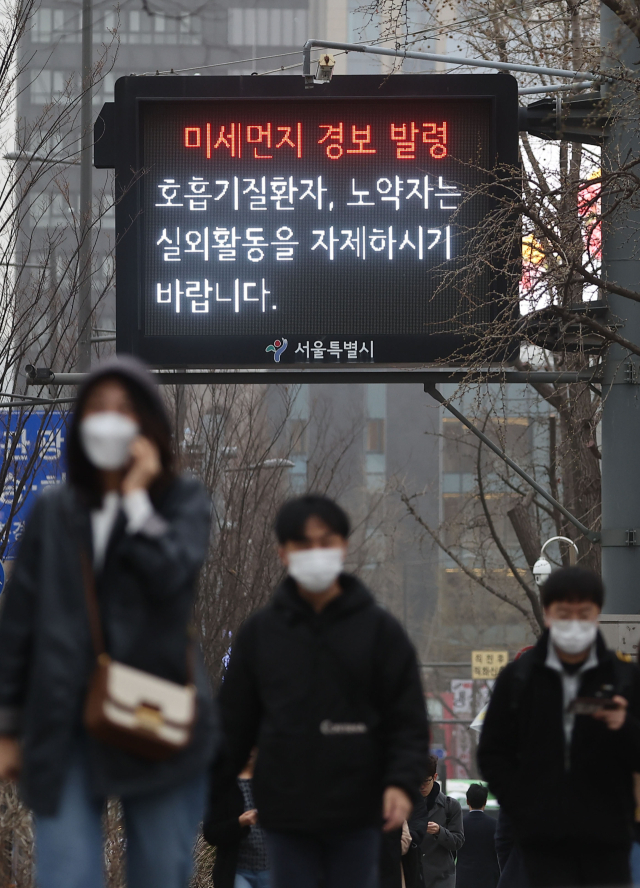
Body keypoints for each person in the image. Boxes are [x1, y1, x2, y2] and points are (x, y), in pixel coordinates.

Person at [0, 356, 217, 888]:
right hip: (65, 721)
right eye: (96, 409)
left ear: (150, 426)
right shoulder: (54, 510)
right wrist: (7, 726)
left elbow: (172, 577)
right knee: (66, 874)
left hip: (158, 718)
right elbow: (18, 624)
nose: (109, 420)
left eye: (124, 409)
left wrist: (135, 500)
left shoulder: (181, 501)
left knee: (161, 873)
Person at [212, 494, 430, 888]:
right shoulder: (261, 635)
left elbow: (408, 719)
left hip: (360, 808)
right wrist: (205, 791)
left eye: (325, 542)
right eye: (302, 543)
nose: (315, 553)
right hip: (286, 809)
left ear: (343, 546)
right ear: (283, 552)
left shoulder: (380, 633)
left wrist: (400, 781)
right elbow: (232, 725)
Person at [478, 566, 640, 888]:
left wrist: (624, 726)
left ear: (597, 614)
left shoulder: (624, 678)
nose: (575, 623)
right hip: (543, 840)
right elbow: (493, 753)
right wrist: (522, 804)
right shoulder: (519, 679)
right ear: (548, 614)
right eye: (565, 613)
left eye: (585, 612)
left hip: (608, 838)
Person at [204, 749, 270, 888]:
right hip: (237, 872)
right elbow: (210, 832)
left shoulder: (271, 781)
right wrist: (240, 823)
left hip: (271, 871)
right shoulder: (224, 785)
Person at [418, 756, 464, 888]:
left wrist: (439, 831)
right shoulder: (406, 805)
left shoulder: (451, 806)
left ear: (435, 777)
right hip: (413, 876)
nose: (422, 786)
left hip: (441, 878)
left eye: (426, 781)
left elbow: (458, 841)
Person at [455, 784, 499, 888]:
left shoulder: (459, 824)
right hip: (489, 878)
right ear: (485, 801)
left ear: (467, 801)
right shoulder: (495, 825)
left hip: (464, 877)